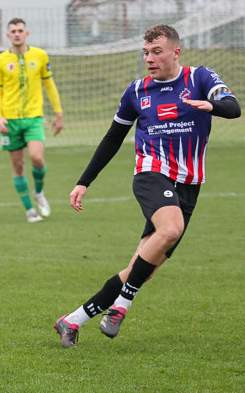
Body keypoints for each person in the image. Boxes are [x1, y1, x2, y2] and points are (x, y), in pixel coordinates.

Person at [55, 24, 239, 347]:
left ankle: (73, 320)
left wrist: (213, 106)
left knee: (142, 268)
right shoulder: (137, 91)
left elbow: (233, 107)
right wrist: (83, 182)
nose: (149, 59)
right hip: (151, 173)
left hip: (189, 185)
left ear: (175, 52)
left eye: (156, 52)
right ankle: (121, 307)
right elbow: (113, 138)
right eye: (145, 53)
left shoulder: (200, 78)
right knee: (170, 230)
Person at [0, 18, 64, 223]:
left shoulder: (40, 56)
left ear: (26, 33)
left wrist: (58, 113)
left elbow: (49, 85)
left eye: (20, 30)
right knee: (18, 166)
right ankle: (29, 210)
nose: (16, 33)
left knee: (37, 159)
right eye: (13, 31)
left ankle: (39, 192)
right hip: (10, 121)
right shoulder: (0, 60)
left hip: (33, 118)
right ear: (8, 35)